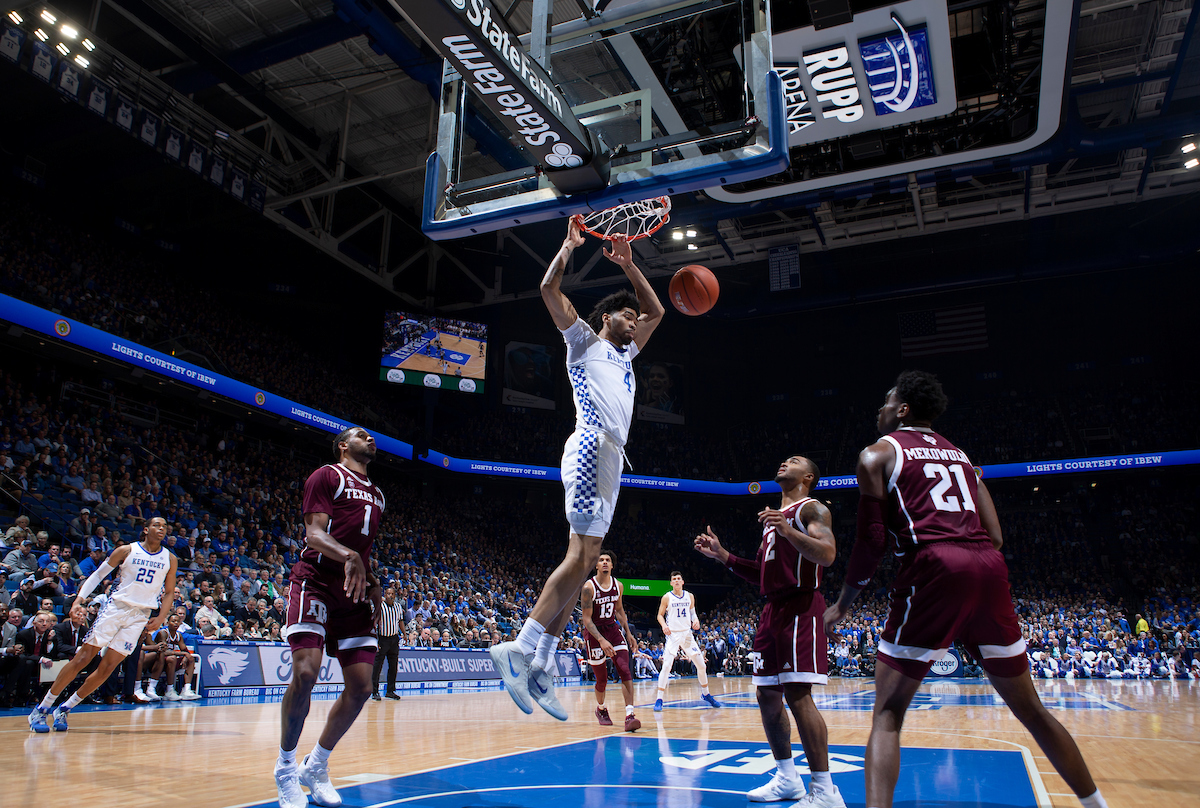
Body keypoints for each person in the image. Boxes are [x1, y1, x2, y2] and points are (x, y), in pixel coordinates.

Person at [822, 371, 1108, 808]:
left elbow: (872, 541)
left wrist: (843, 602)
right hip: (988, 568)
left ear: (903, 409)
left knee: (887, 714)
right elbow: (994, 535)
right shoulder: (961, 457)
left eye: (886, 400)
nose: (878, 408)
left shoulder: (876, 454)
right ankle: (1095, 804)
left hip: (934, 565)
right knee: (1031, 709)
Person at [490, 218, 665, 721]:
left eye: (634, 319)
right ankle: (521, 648)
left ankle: (543, 664)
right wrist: (568, 246)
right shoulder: (584, 342)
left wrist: (631, 265)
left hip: (615, 460)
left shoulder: (626, 353)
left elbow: (657, 310)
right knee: (579, 556)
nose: (635, 321)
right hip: (591, 446)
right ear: (607, 317)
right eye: (626, 316)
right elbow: (549, 287)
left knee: (587, 561)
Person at [695, 455, 845, 807]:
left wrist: (788, 530)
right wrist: (723, 557)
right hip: (771, 610)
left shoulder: (813, 510)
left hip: (800, 606)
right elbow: (762, 572)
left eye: (792, 461)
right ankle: (787, 778)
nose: (783, 463)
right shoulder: (773, 520)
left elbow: (828, 555)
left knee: (797, 694)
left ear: (808, 476)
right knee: (766, 696)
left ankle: (825, 791)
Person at [276, 428, 386, 808]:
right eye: (361, 435)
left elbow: (362, 548)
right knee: (306, 673)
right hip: (317, 582)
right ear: (343, 445)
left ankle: (316, 765)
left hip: (352, 592)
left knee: (361, 687)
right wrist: (351, 558)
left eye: (372, 437)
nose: (370, 440)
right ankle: (286, 768)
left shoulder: (378, 494)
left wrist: (371, 580)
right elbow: (314, 535)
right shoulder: (327, 475)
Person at [29, 516, 176, 732]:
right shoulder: (126, 550)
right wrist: (80, 599)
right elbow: (98, 575)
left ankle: (65, 708)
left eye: (165, 526)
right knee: (83, 658)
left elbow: (170, 591)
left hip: (140, 615)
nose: (161, 528)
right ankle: (42, 709)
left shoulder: (170, 558)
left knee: (108, 667)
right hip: (116, 608)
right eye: (157, 525)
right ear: (146, 529)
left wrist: (162, 616)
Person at [579, 551, 642, 732]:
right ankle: (601, 709)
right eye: (601, 560)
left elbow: (620, 610)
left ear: (612, 565)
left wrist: (628, 633)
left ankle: (630, 715)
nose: (605, 562)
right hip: (594, 634)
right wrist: (601, 640)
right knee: (602, 680)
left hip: (613, 630)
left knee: (624, 669)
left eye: (608, 560)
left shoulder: (618, 586)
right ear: (596, 566)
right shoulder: (588, 588)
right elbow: (587, 620)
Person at [653, 571, 721, 711]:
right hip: (673, 635)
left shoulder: (689, 596)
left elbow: (693, 613)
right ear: (671, 583)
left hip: (687, 634)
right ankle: (659, 699)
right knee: (666, 666)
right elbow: (659, 615)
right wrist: (664, 626)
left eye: (679, 579)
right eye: (674, 579)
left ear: (682, 581)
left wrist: (695, 620)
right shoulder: (667, 597)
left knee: (701, 665)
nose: (677, 581)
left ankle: (706, 694)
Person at [371, 586, 403, 701]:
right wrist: (375, 639)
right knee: (377, 666)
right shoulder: (380, 606)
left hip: (394, 639)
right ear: (385, 594)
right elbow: (373, 623)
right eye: (388, 593)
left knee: (393, 666)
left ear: (395, 595)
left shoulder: (398, 607)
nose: (390, 595)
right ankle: (374, 691)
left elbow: (400, 621)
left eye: (392, 594)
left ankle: (390, 691)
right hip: (382, 638)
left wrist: (404, 633)